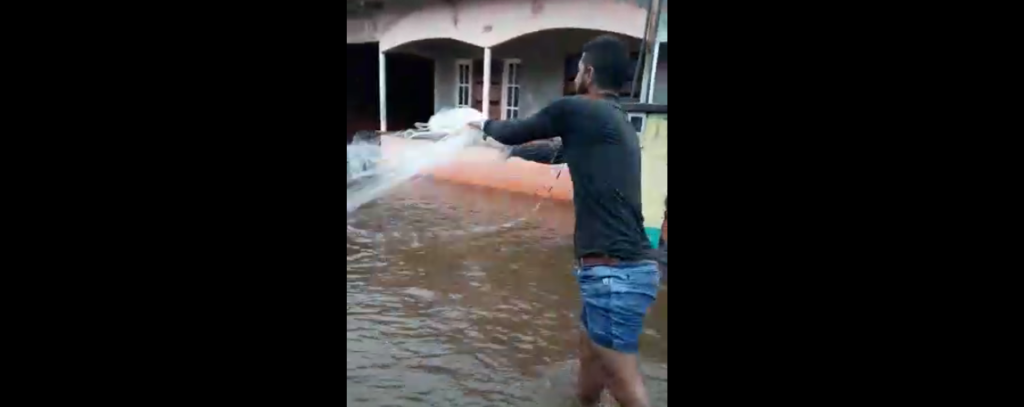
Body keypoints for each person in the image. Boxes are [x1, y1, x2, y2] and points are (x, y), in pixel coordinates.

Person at [470, 35, 660, 407]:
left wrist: (480, 126)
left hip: (614, 273)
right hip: (614, 272)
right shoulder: (611, 120)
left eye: (578, 69)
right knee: (590, 361)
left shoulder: (578, 110)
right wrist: (511, 152)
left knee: (623, 382)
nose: (575, 75)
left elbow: (518, 127)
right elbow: (554, 150)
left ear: (588, 73)